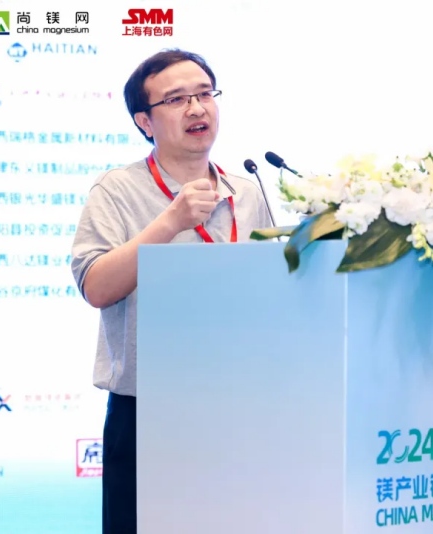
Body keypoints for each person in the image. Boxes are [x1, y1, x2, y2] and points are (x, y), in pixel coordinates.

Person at [70, 49, 273, 534]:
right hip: (150, 412)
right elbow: (96, 286)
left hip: (241, 405)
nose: (197, 108)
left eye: (205, 94)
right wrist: (171, 222)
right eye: (177, 99)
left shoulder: (247, 192)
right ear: (144, 121)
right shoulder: (116, 190)